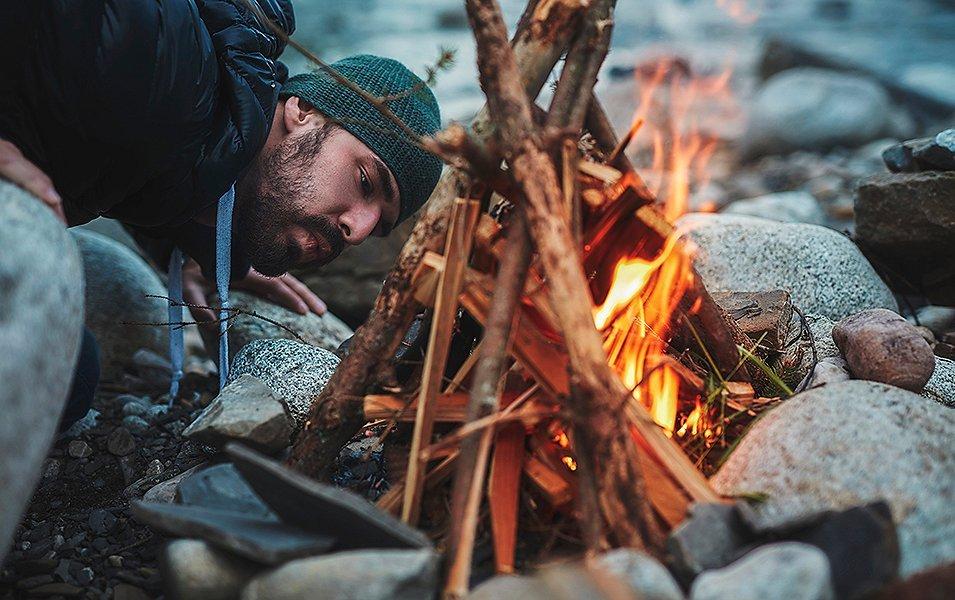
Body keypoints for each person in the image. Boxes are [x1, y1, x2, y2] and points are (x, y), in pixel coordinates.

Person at [0, 0, 443, 430]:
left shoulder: (182, 113)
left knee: (64, 377)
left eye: (378, 226)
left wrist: (191, 235)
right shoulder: (157, 49)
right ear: (303, 112)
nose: (357, 231)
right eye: (365, 181)